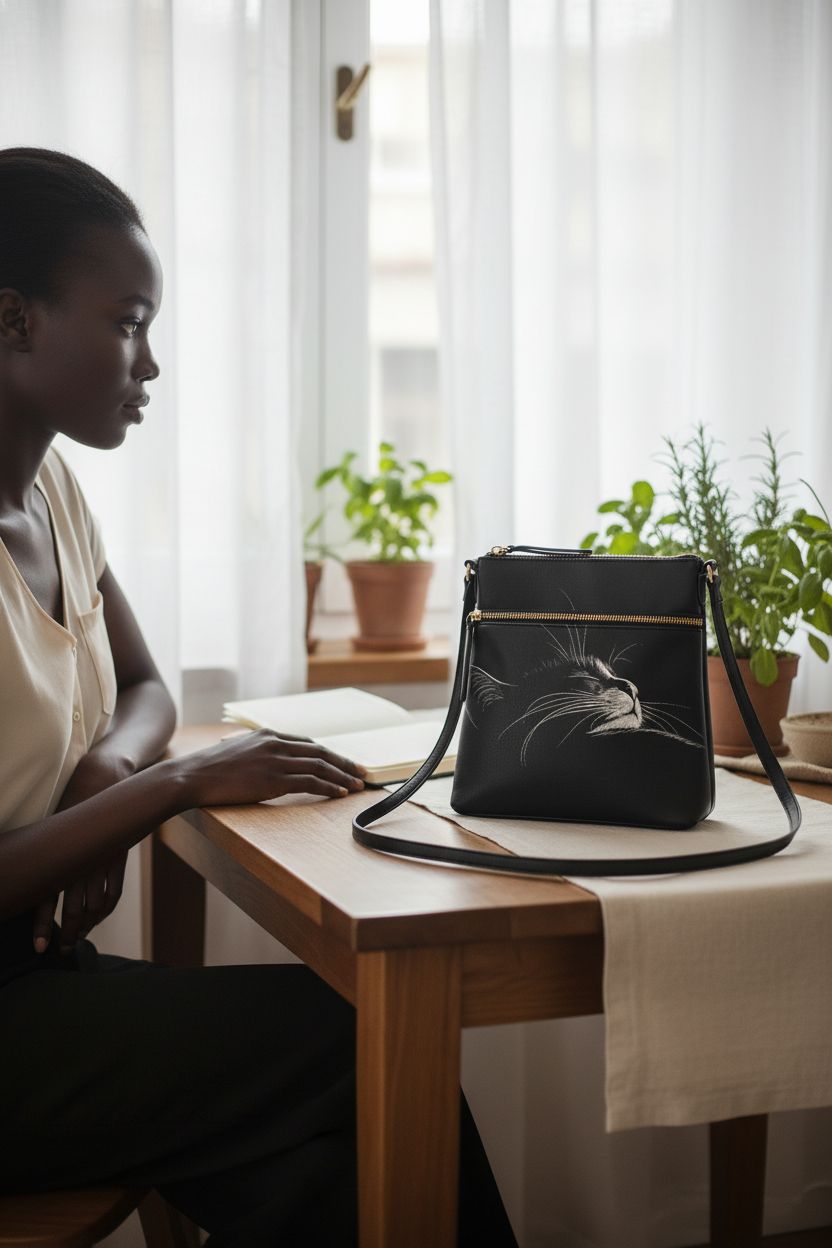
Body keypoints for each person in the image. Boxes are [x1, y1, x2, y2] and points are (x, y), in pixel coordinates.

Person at [0, 147, 518, 1247]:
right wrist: (164, 787)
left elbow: (140, 685)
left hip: (39, 983)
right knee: (356, 1041)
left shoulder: (47, 488)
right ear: (15, 322)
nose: (150, 363)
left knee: (312, 1172)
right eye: (128, 321)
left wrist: (107, 770)